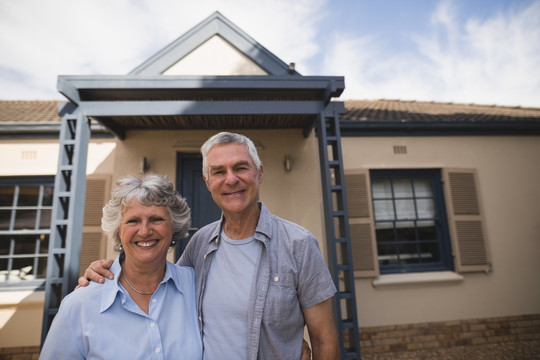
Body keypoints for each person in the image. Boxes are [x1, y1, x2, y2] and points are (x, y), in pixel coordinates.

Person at [81, 132, 340, 359]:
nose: (231, 179)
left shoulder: (299, 245)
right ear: (207, 182)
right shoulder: (199, 244)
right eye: (218, 171)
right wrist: (108, 273)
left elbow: (324, 340)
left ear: (259, 173)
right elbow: (160, 288)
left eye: (241, 168)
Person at [41, 174, 202, 359]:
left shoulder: (197, 287)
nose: (145, 231)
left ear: (173, 226)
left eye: (156, 219)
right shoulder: (80, 305)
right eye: (133, 221)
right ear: (118, 230)